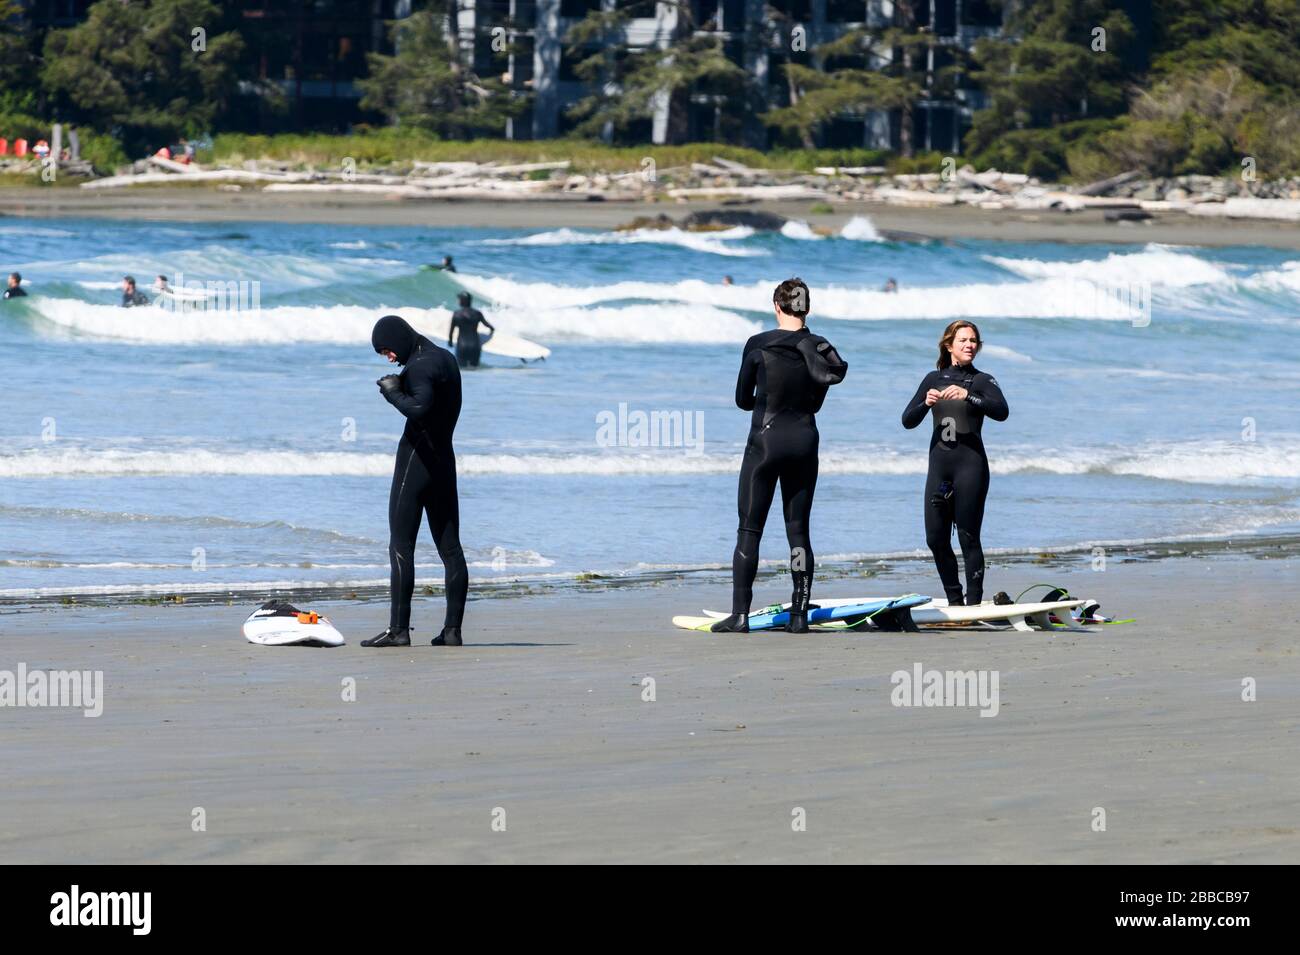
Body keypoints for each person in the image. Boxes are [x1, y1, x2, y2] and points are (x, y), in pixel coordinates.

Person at [712, 278, 848, 634]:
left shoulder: (757, 345)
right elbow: (817, 400)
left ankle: (740, 615)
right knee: (798, 532)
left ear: (777, 305)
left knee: (749, 530)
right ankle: (799, 617)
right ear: (807, 308)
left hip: (765, 444)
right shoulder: (820, 348)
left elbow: (743, 400)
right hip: (804, 442)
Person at [362, 315, 469, 648]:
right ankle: (452, 631)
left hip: (417, 460)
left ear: (399, 338)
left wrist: (393, 393)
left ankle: (398, 630)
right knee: (450, 549)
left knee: (400, 544)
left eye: (387, 350)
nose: (389, 358)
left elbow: (420, 408)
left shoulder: (420, 365)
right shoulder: (446, 359)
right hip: (444, 462)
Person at [900, 320, 1008, 607]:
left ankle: (972, 604)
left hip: (970, 467)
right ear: (949, 345)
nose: (970, 345)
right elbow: (907, 420)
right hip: (939, 468)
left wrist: (969, 396)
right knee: (935, 538)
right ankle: (954, 601)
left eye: (974, 341)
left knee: (968, 536)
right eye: (963, 340)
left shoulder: (983, 380)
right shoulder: (932, 379)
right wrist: (926, 403)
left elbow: (1002, 411)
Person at [447, 292, 495, 369]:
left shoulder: (457, 314)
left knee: (461, 370)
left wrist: (450, 342)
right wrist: (491, 332)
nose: (458, 301)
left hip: (462, 345)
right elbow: (489, 326)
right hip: (475, 345)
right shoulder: (477, 313)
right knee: (474, 369)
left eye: (459, 299)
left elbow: (451, 331)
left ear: (463, 301)